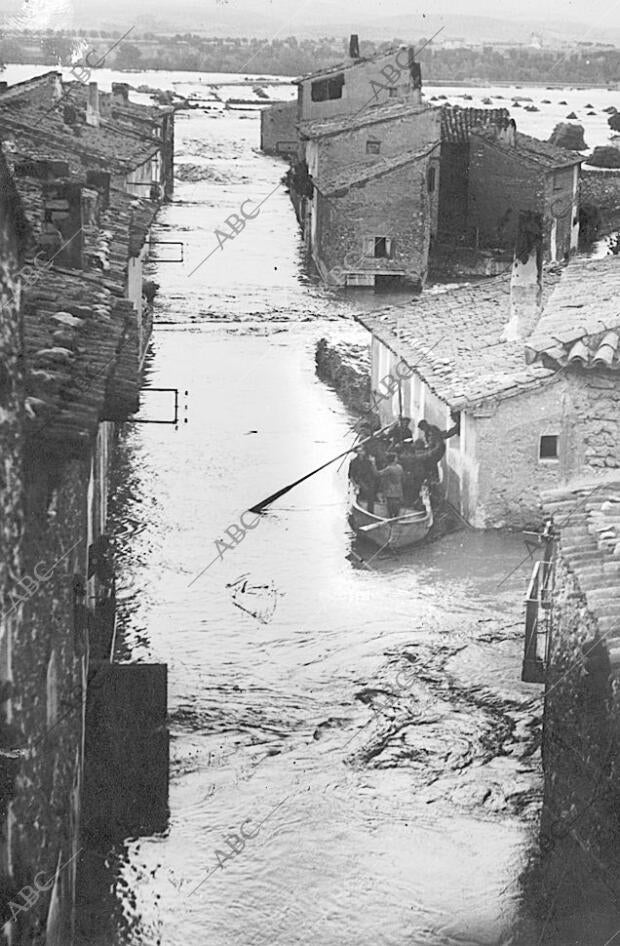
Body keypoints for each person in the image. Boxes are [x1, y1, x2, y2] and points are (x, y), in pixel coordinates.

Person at [348, 446, 378, 514]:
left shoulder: (368, 461)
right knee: (359, 495)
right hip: (359, 481)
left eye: (362, 451)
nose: (361, 453)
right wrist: (355, 484)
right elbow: (351, 475)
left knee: (370, 495)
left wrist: (373, 463)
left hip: (368, 481)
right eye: (359, 451)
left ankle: (370, 512)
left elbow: (373, 473)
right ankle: (358, 508)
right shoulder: (354, 462)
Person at [379, 452, 404, 518]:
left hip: (390, 491)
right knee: (397, 508)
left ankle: (391, 519)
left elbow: (378, 474)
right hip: (398, 490)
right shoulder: (400, 467)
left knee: (390, 508)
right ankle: (396, 518)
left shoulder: (389, 469)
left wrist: (373, 464)